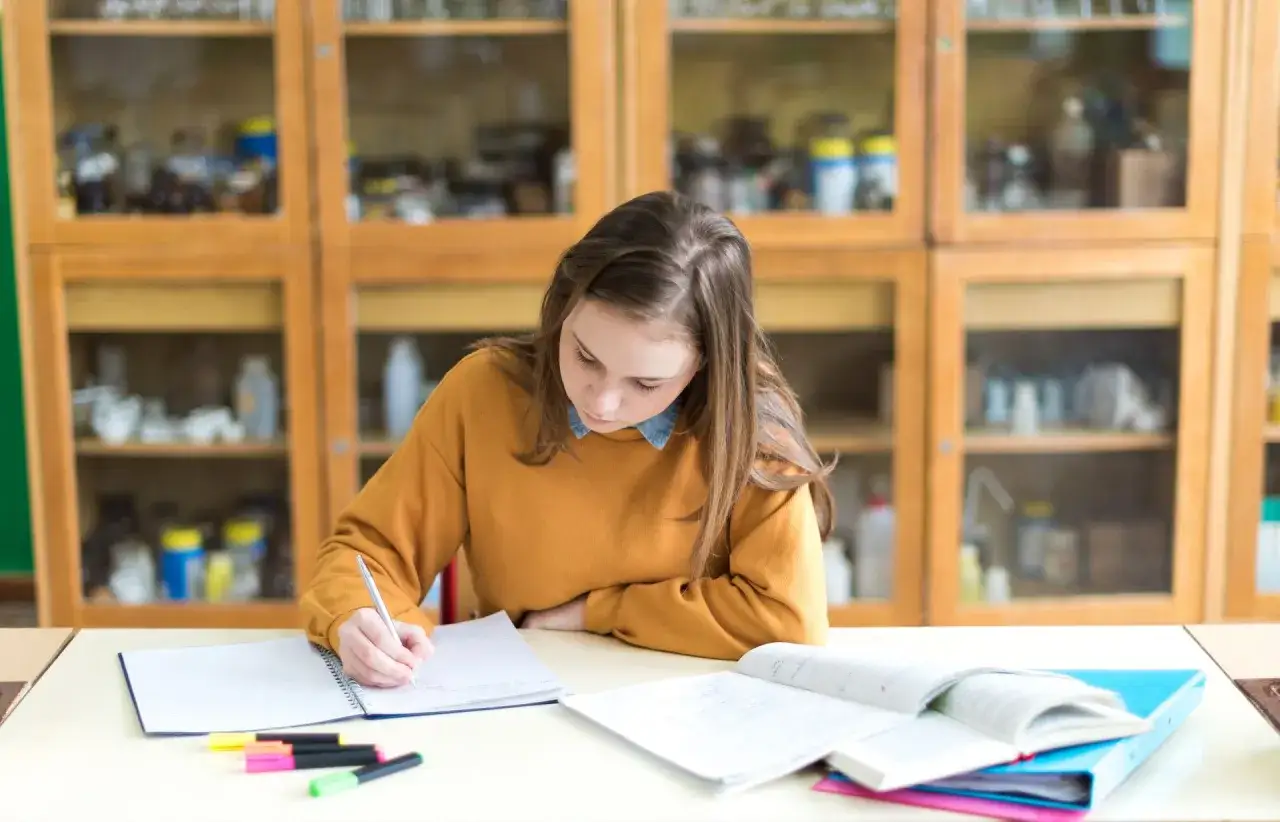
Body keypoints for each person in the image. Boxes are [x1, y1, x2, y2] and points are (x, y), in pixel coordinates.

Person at [300, 191, 836, 688]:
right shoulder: (484, 393)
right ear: (562, 308)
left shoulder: (750, 429)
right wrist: (357, 618)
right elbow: (367, 553)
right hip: (516, 703)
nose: (601, 402)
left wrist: (598, 613)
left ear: (706, 365)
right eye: (584, 355)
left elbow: (788, 619)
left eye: (646, 383)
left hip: (690, 717)